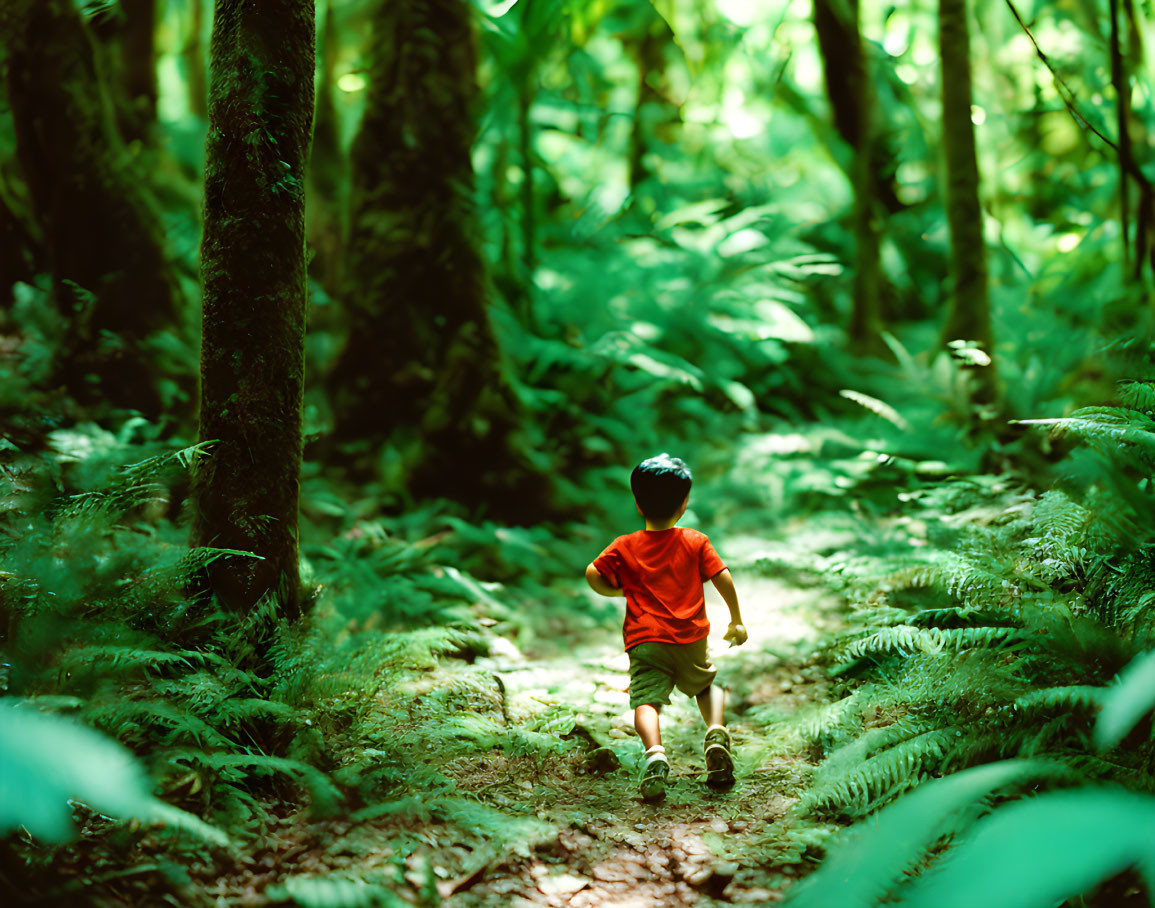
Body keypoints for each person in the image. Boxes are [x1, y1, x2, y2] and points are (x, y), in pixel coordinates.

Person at [585, 453, 747, 802]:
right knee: (706, 686)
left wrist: (617, 590)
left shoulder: (624, 545)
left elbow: (592, 573)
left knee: (646, 701)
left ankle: (655, 753)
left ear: (638, 503)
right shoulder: (696, 541)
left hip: (645, 640)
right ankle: (716, 732)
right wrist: (735, 619)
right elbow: (722, 577)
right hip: (690, 635)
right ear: (684, 503)